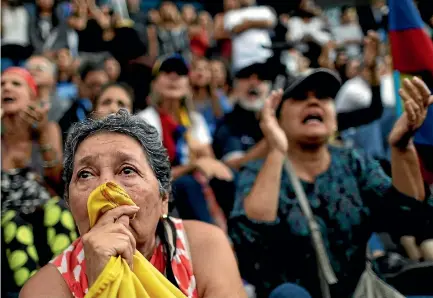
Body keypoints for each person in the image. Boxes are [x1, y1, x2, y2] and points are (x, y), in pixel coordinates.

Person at [229, 68, 433, 297]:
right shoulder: (257, 171)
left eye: (323, 97)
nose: (313, 103)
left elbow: (409, 219)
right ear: (277, 118)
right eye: (300, 98)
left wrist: (402, 147)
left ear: (335, 120)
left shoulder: (354, 162)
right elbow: (250, 243)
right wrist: (276, 148)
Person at [20, 110, 247, 298]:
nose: (106, 187)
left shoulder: (203, 248)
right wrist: (104, 281)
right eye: (86, 174)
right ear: (70, 205)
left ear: (163, 199)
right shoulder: (44, 290)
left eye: (127, 170)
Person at [1, 67, 77, 296]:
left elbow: (57, 179)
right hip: (6, 213)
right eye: (2, 84)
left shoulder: (48, 128)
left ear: (32, 97)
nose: (6, 88)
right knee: (12, 221)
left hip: (43, 207)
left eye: (16, 84)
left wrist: (43, 133)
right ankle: (32, 292)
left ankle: (71, 283)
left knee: (59, 210)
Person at [138, 54, 233, 229]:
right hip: (160, 190)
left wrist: (200, 162)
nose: (174, 77)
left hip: (192, 188)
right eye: (167, 72)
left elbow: (210, 163)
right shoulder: (145, 120)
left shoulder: (195, 121)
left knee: (226, 180)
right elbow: (150, 175)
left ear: (188, 83)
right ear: (155, 83)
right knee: (186, 184)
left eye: (180, 73)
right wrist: (193, 165)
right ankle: (210, 238)